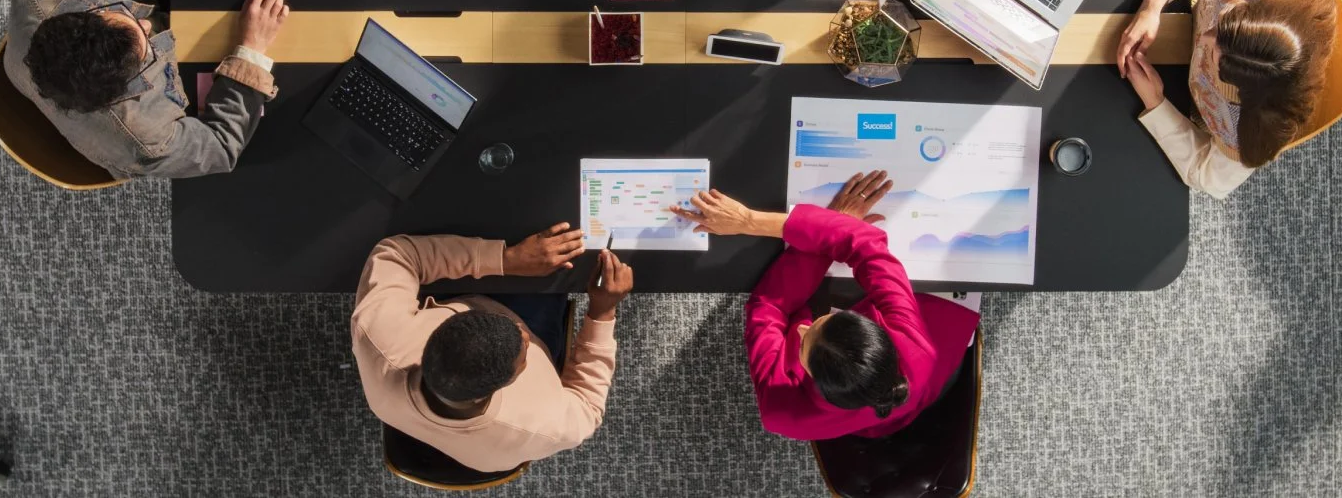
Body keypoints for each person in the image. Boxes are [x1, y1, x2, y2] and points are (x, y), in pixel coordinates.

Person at [669, 172, 979, 440]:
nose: (803, 326)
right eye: (825, 322)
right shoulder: (910, 345)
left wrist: (818, 231)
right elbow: (868, 246)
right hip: (930, 347)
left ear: (813, 377)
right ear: (877, 331)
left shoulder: (782, 411)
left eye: (803, 342)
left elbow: (766, 307)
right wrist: (827, 228)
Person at [4, 0, 288, 181]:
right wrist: (251, 50)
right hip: (157, 98)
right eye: (143, 51)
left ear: (87, 13)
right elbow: (220, 146)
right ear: (125, 87)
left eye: (121, 16)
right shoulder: (145, 141)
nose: (147, 26)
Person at [352, 223, 635, 473]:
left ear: (437, 331)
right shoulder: (540, 426)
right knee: (560, 268)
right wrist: (602, 310)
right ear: (506, 383)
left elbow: (396, 252)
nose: (522, 333)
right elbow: (588, 407)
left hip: (457, 305)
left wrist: (508, 259)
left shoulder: (379, 336)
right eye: (523, 351)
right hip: (521, 332)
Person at [1113, 0, 1339, 199]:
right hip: (1177, 5)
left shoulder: (1249, 127)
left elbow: (1208, 177)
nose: (1204, 37)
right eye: (1221, 23)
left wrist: (1156, 102)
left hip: (1179, 94)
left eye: (1211, 56)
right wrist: (1156, 0)